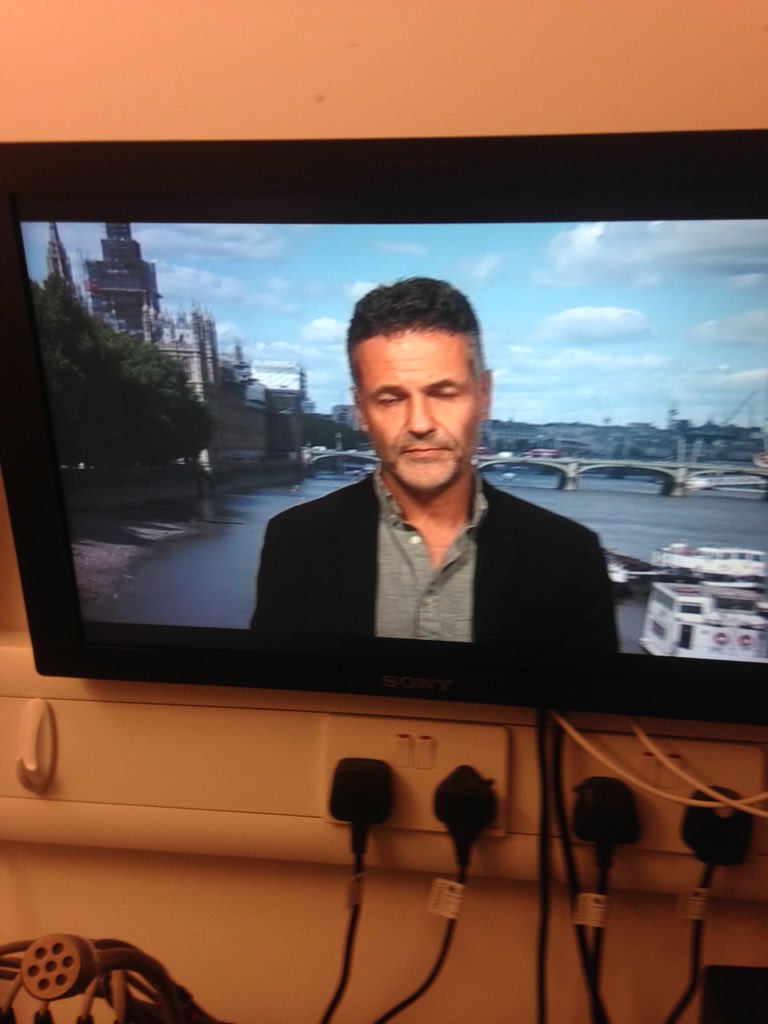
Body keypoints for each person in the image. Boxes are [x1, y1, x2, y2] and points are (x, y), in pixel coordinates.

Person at [252, 277, 617, 652]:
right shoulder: (295, 542)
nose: (420, 423)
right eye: (391, 399)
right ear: (361, 411)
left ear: (484, 396)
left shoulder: (570, 555)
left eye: (443, 394)